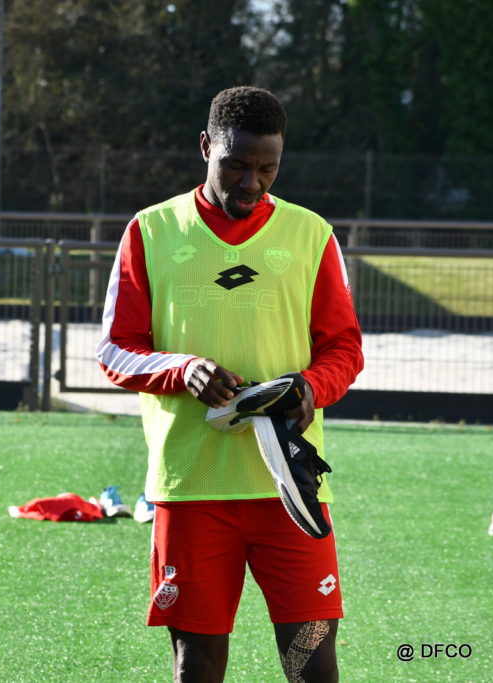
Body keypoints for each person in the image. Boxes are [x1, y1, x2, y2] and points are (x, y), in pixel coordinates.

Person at [96, 86, 363, 682]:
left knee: (311, 655)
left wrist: (309, 387)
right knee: (197, 661)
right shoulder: (151, 230)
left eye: (268, 169)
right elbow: (114, 349)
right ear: (205, 146)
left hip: (289, 485)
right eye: (236, 165)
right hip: (192, 488)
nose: (251, 183)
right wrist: (181, 368)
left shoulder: (311, 234)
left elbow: (345, 348)